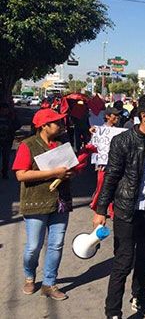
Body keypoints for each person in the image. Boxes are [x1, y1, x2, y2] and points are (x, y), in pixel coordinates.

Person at [93, 93, 145, 319]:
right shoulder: (123, 141)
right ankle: (113, 311)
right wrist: (101, 210)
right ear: (144, 116)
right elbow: (111, 177)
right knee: (123, 262)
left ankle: (140, 297)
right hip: (126, 208)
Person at [12, 108, 73, 300]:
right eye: (57, 122)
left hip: (60, 202)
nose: (62, 125)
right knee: (33, 246)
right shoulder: (28, 145)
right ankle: (30, 276)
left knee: (56, 245)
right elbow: (21, 174)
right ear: (44, 126)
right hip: (35, 202)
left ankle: (49, 282)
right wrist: (54, 173)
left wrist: (69, 172)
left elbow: (67, 169)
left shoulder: (61, 144)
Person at [0, 102, 20, 179]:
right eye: (2, 110)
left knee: (6, 157)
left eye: (5, 110)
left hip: (7, 140)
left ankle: (4, 173)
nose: (4, 111)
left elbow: (18, 125)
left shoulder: (11, 117)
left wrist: (10, 128)